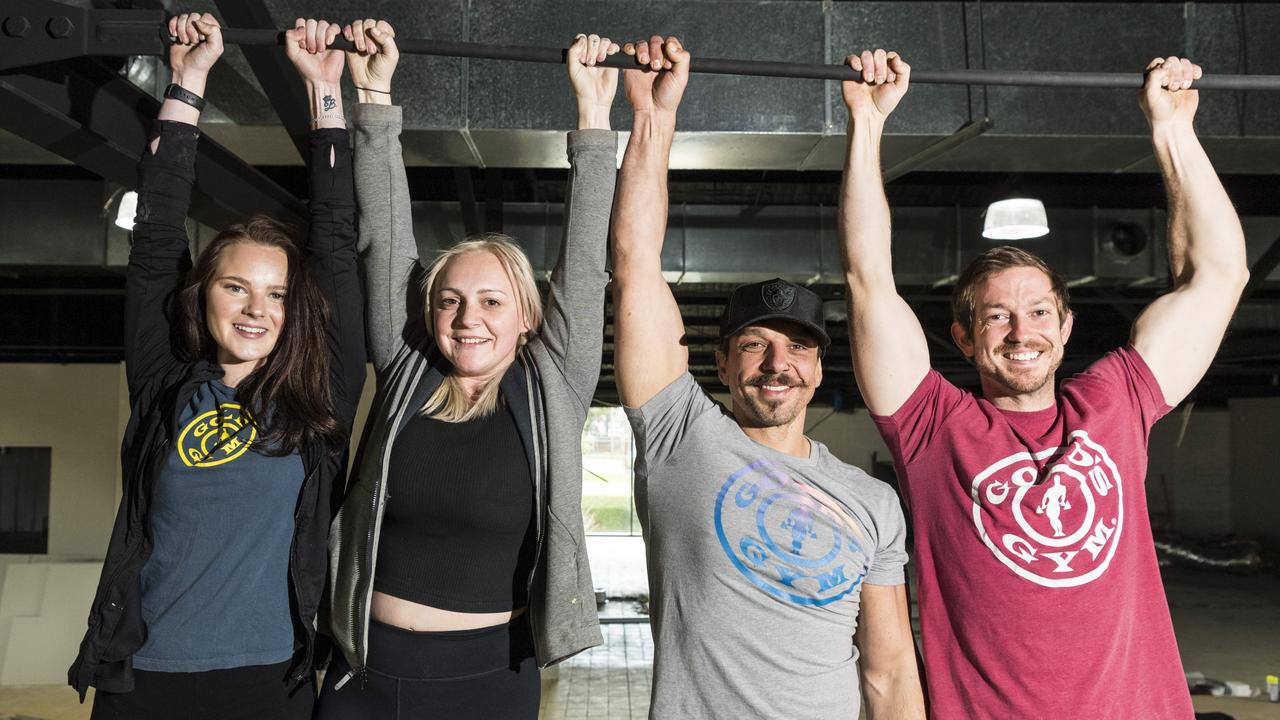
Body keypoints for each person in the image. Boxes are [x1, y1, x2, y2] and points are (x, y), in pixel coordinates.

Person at [839, 48, 1248, 718]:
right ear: (966, 338)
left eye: (1037, 313)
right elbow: (868, 282)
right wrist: (867, 124)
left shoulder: (1115, 401)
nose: (1019, 332)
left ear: (1065, 328)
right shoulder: (932, 429)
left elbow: (1220, 275)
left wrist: (1173, 130)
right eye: (996, 316)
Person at [610, 36, 926, 719]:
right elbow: (635, 261)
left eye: (797, 349)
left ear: (817, 370)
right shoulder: (679, 436)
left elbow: (891, 668)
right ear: (720, 364)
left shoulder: (872, 503)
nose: (776, 364)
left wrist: (867, 121)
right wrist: (653, 116)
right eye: (753, 346)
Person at [316, 23, 619, 719]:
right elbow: (385, 235)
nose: (466, 318)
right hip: (362, 670)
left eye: (490, 301)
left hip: (487, 679)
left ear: (527, 317)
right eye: (449, 300)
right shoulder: (407, 367)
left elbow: (584, 261)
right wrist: (374, 95)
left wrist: (594, 120)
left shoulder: (553, 385)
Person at [67, 13, 365, 719]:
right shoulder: (165, 384)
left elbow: (336, 238)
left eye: (278, 294)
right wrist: (188, 79)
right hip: (142, 679)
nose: (256, 309)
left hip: (269, 683)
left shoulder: (318, 398)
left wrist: (327, 92)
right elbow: (157, 236)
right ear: (205, 298)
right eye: (236, 287)